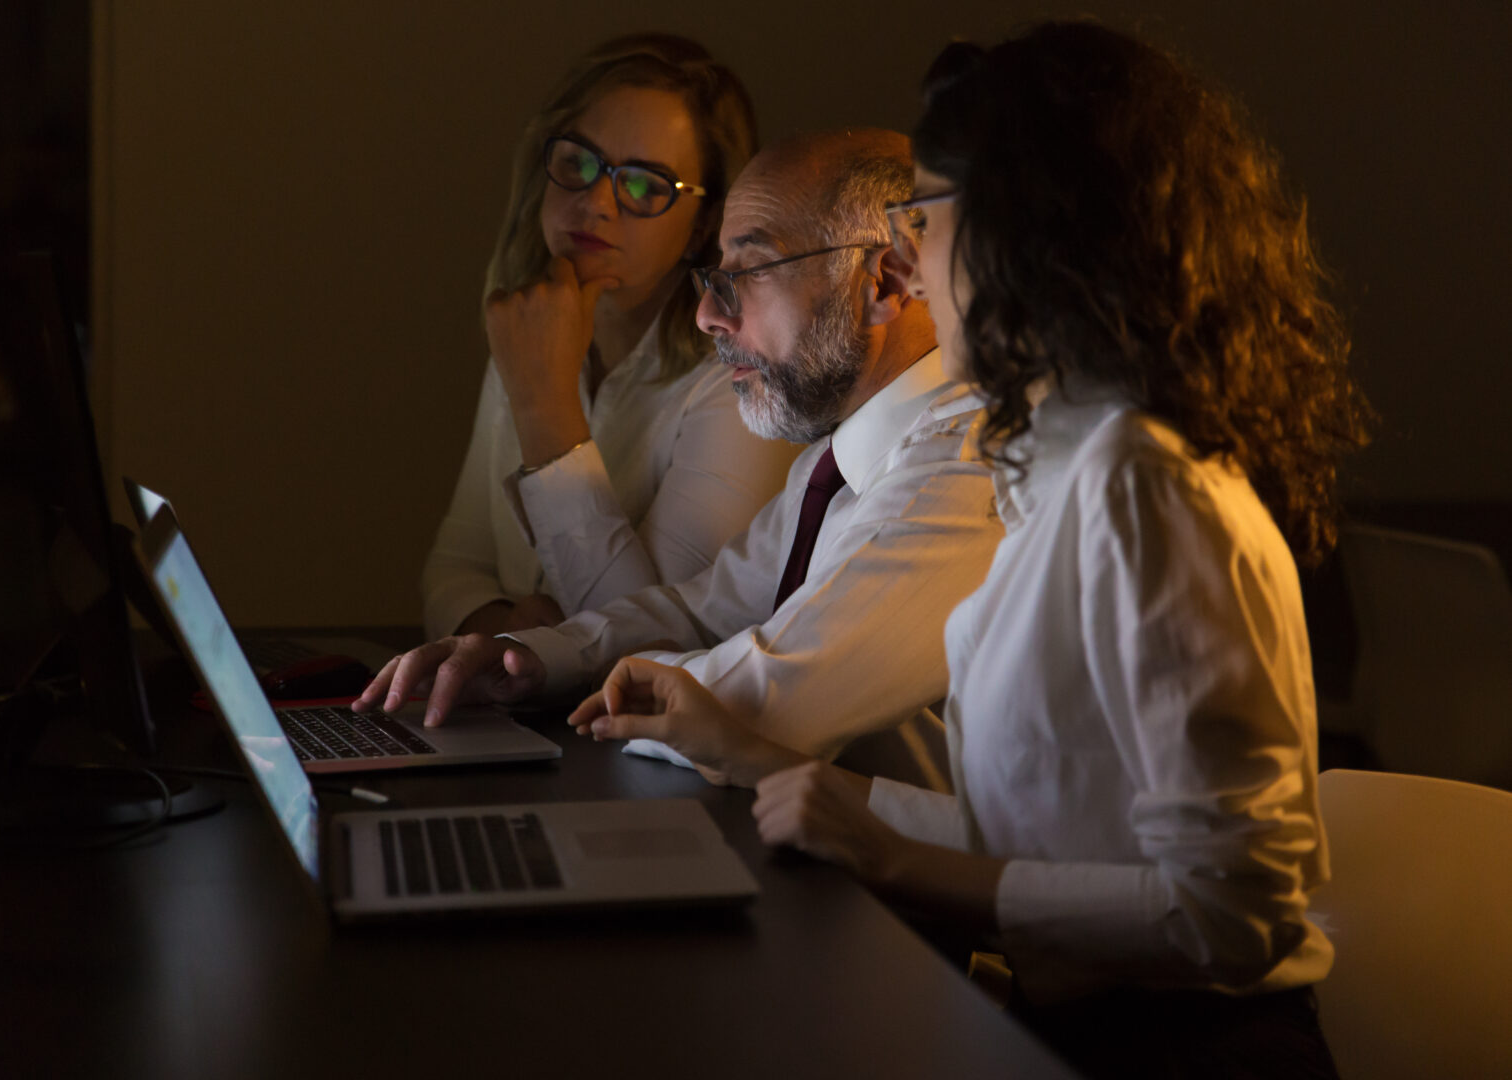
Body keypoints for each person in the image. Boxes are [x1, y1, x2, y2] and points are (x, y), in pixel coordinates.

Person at [565, 22, 1371, 1079]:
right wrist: (766, 763)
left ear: (1029, 236)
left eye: (926, 217)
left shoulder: (1143, 486)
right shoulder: (1052, 463)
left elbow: (1238, 914)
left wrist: (896, 857)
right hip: (1071, 1028)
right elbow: (1059, 841)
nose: (907, 260)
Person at [359, 129, 1003, 784]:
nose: (707, 315)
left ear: (886, 282)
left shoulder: (964, 473)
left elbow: (759, 709)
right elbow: (704, 612)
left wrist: (625, 681)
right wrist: (527, 661)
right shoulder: (834, 466)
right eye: (716, 276)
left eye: (748, 272)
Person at [422, 34, 799, 639]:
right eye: (579, 164)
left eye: (645, 185)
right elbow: (451, 569)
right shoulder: (530, 328)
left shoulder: (736, 378)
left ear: (704, 223)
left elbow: (658, 640)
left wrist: (545, 406)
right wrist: (503, 631)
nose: (596, 202)